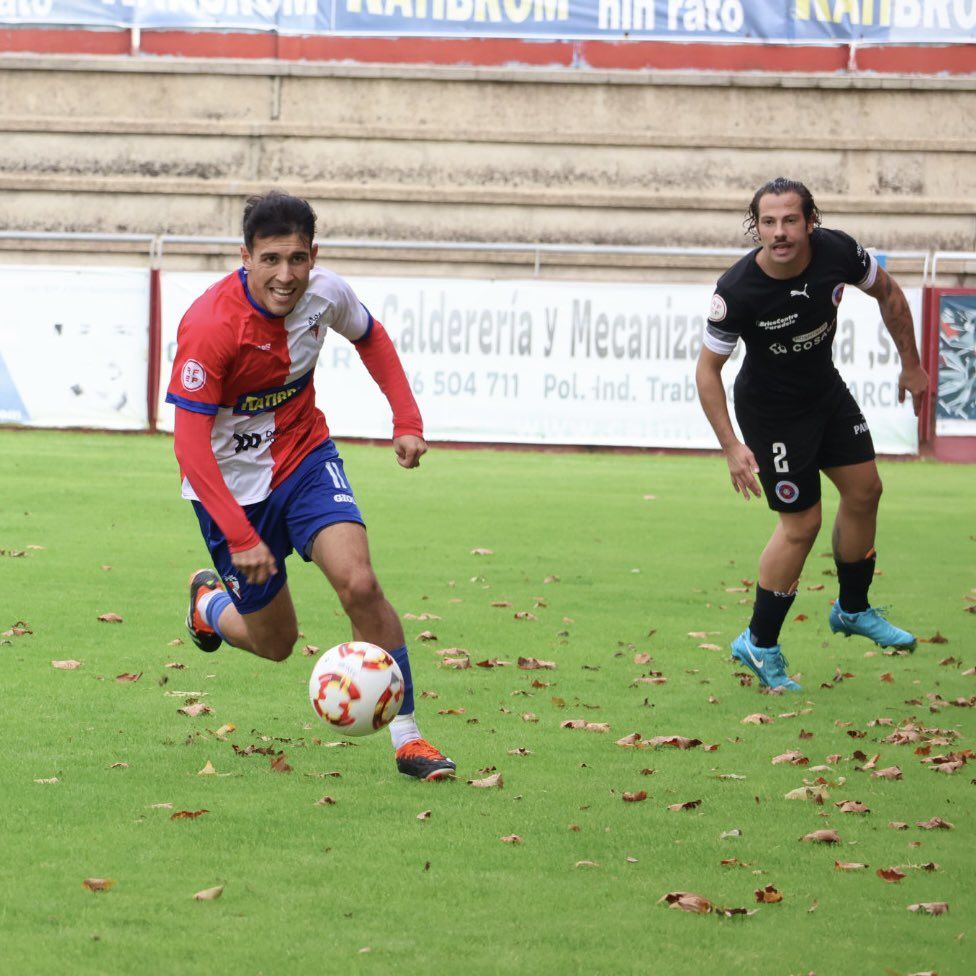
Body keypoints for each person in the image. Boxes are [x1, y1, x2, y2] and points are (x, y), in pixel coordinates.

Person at [165, 190, 455, 780]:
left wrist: (406, 420)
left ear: (313, 255)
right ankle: (209, 607)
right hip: (232, 493)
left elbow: (370, 336)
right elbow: (190, 446)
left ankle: (409, 738)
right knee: (276, 643)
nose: (285, 274)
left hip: (303, 459)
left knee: (361, 583)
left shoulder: (327, 293)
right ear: (244, 256)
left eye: (297, 259)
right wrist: (240, 534)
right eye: (270, 259)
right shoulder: (210, 326)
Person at [695, 177, 928, 691]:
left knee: (866, 490)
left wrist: (911, 366)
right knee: (802, 525)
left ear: (811, 222)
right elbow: (707, 371)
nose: (779, 233)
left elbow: (888, 293)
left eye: (790, 220)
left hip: (825, 392)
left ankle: (852, 608)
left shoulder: (838, 251)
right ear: (756, 227)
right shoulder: (736, 290)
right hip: (772, 414)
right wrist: (732, 446)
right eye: (768, 222)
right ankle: (758, 643)